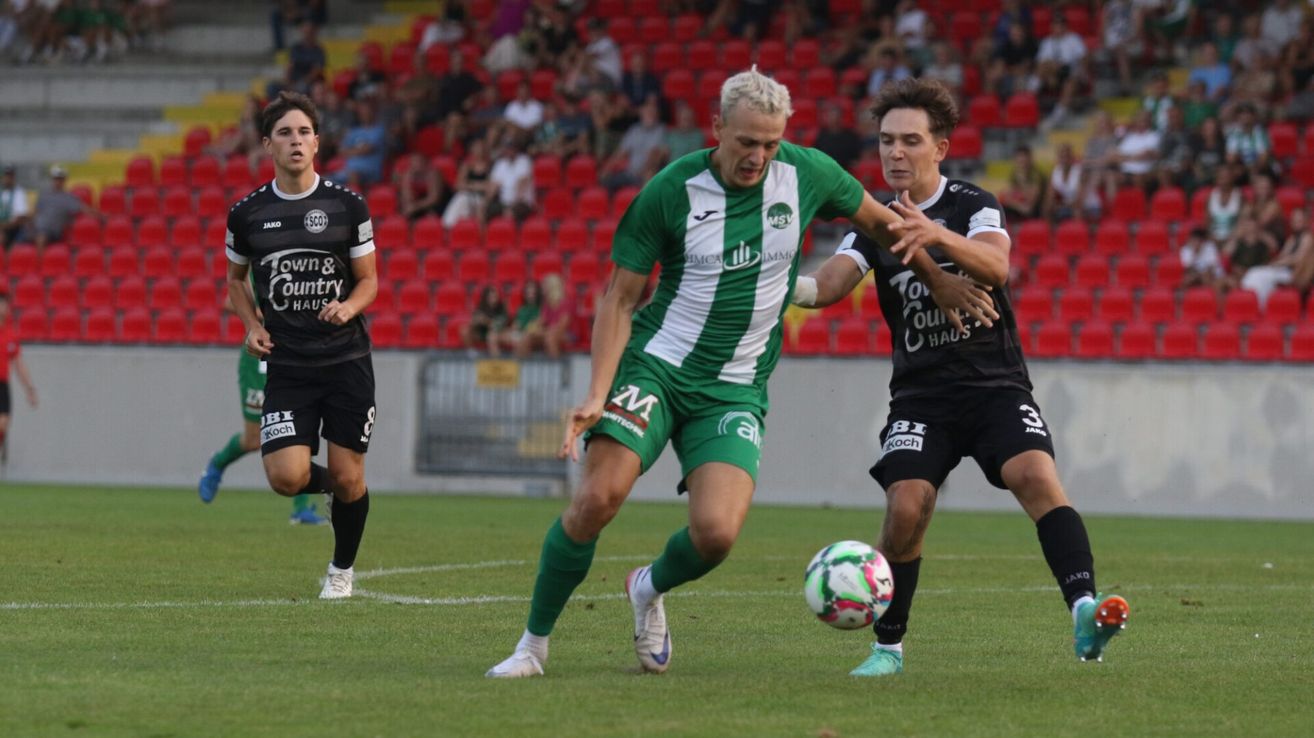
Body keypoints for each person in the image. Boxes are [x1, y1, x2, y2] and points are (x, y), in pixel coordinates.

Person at [484, 67, 992, 679]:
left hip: (734, 387)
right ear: (717, 128)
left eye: (770, 143)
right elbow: (619, 299)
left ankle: (647, 587)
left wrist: (936, 280)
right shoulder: (671, 191)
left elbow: (885, 226)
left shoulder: (807, 173)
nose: (758, 156)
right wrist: (598, 392)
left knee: (716, 535)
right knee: (596, 498)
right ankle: (532, 647)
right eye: (746, 141)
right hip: (657, 368)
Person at [794, 77, 1129, 677]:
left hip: (995, 386)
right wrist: (776, 284)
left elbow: (997, 266)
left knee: (1035, 475)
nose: (896, 153)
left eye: (910, 141)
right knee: (906, 506)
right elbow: (827, 286)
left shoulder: (972, 204)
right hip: (921, 397)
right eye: (887, 141)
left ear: (940, 148)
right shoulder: (874, 222)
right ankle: (888, 648)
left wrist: (935, 234)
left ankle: (1084, 610)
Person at [225, 91, 379, 599]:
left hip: (346, 361)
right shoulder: (247, 214)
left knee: (349, 476)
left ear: (317, 142)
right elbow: (235, 282)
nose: (296, 141)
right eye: (285, 133)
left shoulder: (347, 205)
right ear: (268, 144)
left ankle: (340, 570)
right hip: (289, 364)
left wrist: (349, 307)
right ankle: (342, 490)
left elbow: (369, 281)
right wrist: (252, 324)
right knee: (286, 478)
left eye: (305, 132)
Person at [198, 292, 328, 525]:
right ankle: (218, 463)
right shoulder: (257, 269)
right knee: (253, 440)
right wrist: (269, 314)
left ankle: (300, 509)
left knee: (300, 428)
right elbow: (229, 302)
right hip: (260, 359)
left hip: (296, 353)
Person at [21, 165, 100, 252]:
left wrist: (101, 216)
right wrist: (28, 221)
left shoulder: (69, 198)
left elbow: (85, 209)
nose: (58, 181)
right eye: (56, 179)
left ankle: (40, 260)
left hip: (52, 231)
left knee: (41, 238)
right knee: (18, 236)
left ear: (64, 180)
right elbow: (35, 212)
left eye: (60, 179)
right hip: (36, 228)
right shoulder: (44, 195)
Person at [0, 293, 38, 463]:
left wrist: (30, 389)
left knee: (3, 423)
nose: (2, 308)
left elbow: (18, 364)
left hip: (2, 385)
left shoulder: (10, 335)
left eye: (4, 305)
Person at [514, 272, 570, 358]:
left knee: (550, 338)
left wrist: (545, 331)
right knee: (527, 337)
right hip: (549, 332)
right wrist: (530, 328)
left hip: (566, 334)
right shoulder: (546, 304)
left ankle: (555, 364)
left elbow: (563, 325)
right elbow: (541, 321)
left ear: (551, 287)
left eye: (544, 286)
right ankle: (522, 363)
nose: (542, 288)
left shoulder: (565, 303)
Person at [461, 284, 509, 355]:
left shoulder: (501, 309)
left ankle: (496, 358)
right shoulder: (481, 307)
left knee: (492, 336)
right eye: (490, 297)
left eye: (495, 296)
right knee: (464, 330)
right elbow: (473, 321)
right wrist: (475, 322)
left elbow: (497, 326)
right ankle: (472, 352)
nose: (493, 299)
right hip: (482, 332)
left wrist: (486, 321)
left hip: (497, 334)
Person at [1, 164, 31, 249]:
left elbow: (20, 218)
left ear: (14, 178)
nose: (8, 178)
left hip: (13, 228)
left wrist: (3, 228)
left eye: (10, 176)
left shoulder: (19, 192)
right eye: (6, 175)